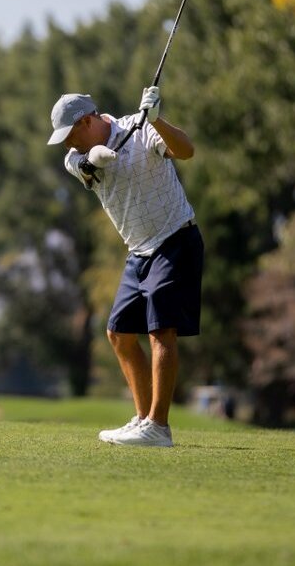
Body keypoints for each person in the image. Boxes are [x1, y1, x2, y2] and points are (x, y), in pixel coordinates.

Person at [47, 88, 204, 447]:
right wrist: (97, 154)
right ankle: (143, 417)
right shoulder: (75, 157)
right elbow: (90, 163)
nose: (67, 145)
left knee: (161, 332)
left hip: (174, 239)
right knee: (118, 333)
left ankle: (158, 427)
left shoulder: (143, 127)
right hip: (138, 251)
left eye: (70, 135)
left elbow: (187, 151)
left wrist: (157, 119)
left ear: (87, 121)